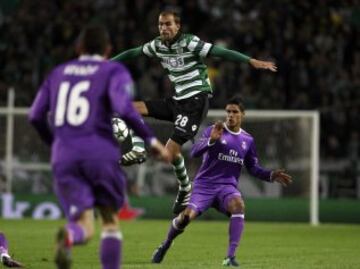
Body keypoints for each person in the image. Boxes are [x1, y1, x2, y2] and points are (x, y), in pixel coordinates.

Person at [28, 24, 170, 269]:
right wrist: (151, 141)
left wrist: (55, 143)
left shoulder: (58, 73)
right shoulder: (113, 71)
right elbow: (124, 108)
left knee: (84, 224)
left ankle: (70, 236)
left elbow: (35, 116)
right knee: (109, 221)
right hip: (100, 154)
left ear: (79, 47)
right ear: (108, 49)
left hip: (64, 156)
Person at [111, 10, 277, 214]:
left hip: (196, 101)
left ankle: (185, 188)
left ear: (177, 26)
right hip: (177, 100)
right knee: (129, 108)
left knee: (169, 153)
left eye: (168, 24)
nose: (164, 28)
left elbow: (219, 52)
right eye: (161, 24)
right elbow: (133, 52)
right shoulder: (157, 45)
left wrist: (250, 61)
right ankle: (137, 147)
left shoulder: (189, 42)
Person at [151, 96, 292, 267]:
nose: (230, 115)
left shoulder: (248, 140)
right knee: (185, 218)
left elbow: (253, 168)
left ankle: (229, 257)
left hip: (227, 188)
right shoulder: (214, 130)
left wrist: (270, 175)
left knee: (239, 206)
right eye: (228, 112)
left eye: (235, 112)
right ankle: (166, 244)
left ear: (243, 115)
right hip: (204, 186)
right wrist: (211, 140)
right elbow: (194, 152)